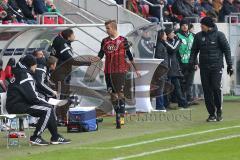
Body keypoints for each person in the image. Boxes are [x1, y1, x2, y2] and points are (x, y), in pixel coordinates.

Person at [6, 55, 70, 145]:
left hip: (16, 104)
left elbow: (30, 95)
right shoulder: (25, 75)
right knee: (48, 108)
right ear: (31, 65)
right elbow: (32, 98)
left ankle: (55, 136)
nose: (36, 67)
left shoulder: (20, 72)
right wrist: (46, 102)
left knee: (48, 108)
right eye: (35, 65)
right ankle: (36, 137)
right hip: (17, 105)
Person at [91, 20, 140, 129]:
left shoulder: (123, 40)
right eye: (106, 28)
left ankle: (121, 116)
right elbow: (100, 54)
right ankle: (118, 113)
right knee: (112, 94)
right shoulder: (105, 41)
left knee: (120, 93)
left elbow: (129, 55)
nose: (106, 30)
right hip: (108, 71)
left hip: (120, 70)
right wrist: (94, 60)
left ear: (113, 28)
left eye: (108, 28)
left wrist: (136, 69)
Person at [189, 17, 233, 122]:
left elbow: (227, 50)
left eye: (202, 25)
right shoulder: (199, 36)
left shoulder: (219, 35)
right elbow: (194, 51)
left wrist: (229, 65)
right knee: (207, 91)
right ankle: (211, 114)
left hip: (217, 67)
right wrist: (192, 62)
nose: (201, 27)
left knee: (216, 88)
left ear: (208, 26)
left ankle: (219, 111)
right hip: (204, 67)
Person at [164, 27, 188, 108]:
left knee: (177, 86)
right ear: (167, 35)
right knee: (168, 87)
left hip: (173, 68)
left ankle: (182, 103)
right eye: (172, 33)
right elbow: (173, 49)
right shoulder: (165, 42)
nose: (174, 35)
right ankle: (166, 104)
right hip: (168, 68)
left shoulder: (173, 41)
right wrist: (179, 41)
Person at [176, 19, 198, 104]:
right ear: (180, 26)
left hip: (191, 62)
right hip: (181, 62)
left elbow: (195, 50)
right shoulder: (176, 35)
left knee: (190, 82)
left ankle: (189, 98)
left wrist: (196, 62)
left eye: (186, 25)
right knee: (182, 82)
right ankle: (183, 99)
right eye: (183, 25)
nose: (185, 26)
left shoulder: (193, 35)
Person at [154, 29, 168, 112]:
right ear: (161, 36)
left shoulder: (162, 45)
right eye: (165, 34)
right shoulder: (159, 46)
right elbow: (159, 59)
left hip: (163, 70)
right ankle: (160, 106)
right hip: (161, 70)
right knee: (159, 89)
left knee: (161, 89)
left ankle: (161, 105)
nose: (166, 36)